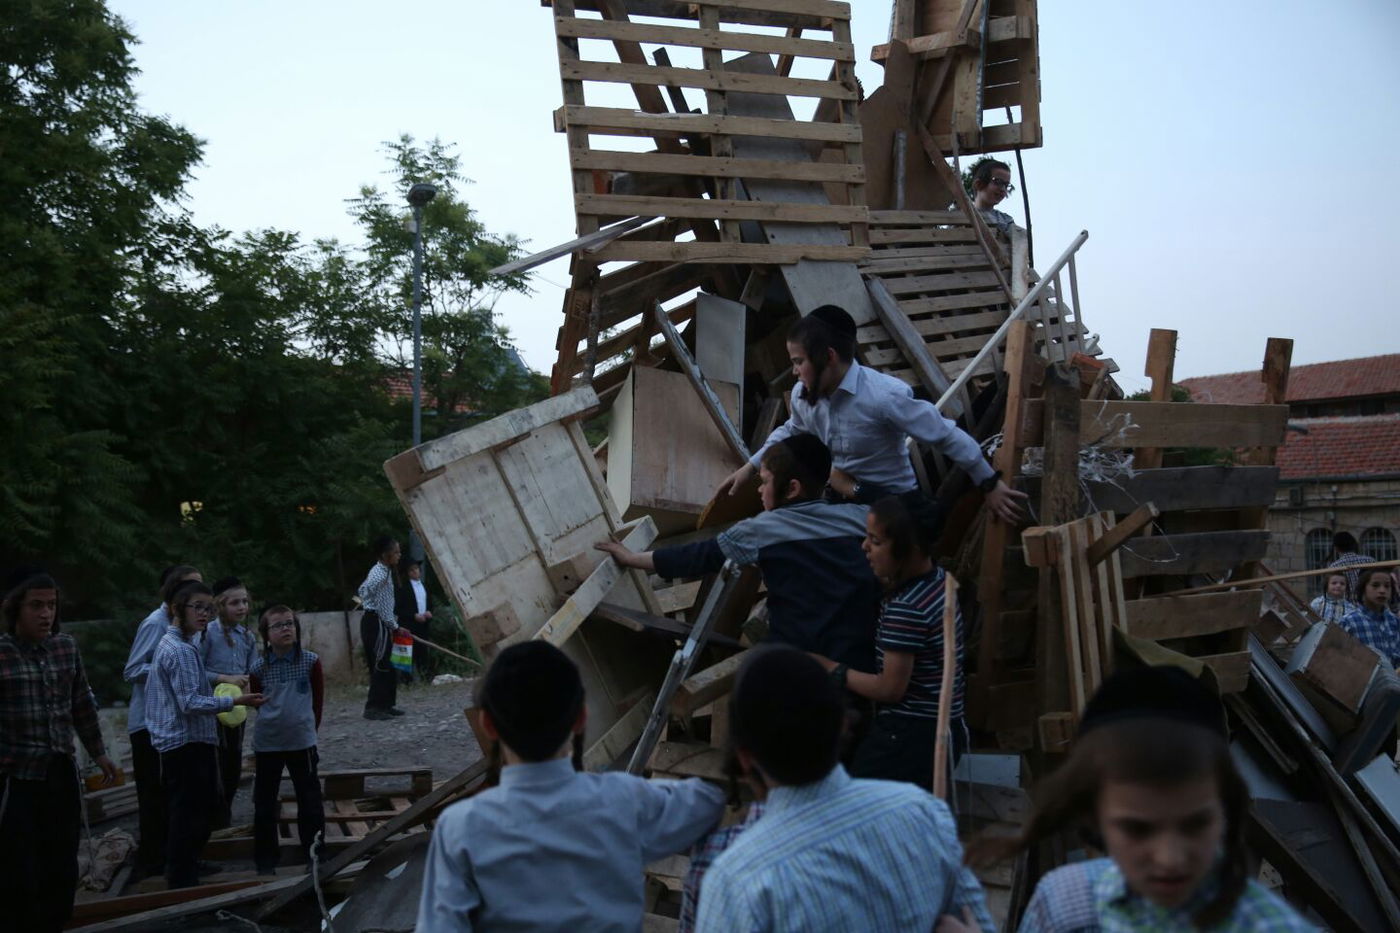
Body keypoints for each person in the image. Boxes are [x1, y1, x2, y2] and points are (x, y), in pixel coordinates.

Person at [949, 666, 1312, 932]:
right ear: (1094, 819)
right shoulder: (1064, 906)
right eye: (1137, 830)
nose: (1169, 859)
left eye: (1195, 824)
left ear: (1226, 811)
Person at [416, 641, 725, 932]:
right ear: (580, 718)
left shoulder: (460, 829)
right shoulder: (625, 800)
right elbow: (708, 800)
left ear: (487, 725)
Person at [693, 646, 994, 932]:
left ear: (745, 758)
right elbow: (977, 921)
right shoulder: (923, 812)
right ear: (843, 724)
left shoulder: (739, 880)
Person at [715, 305, 1026, 524]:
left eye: (799, 362)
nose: (794, 372)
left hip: (894, 506)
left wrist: (989, 483)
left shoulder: (884, 396)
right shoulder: (802, 395)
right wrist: (749, 467)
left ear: (828, 357)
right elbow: (791, 431)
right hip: (845, 499)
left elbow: (946, 435)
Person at [599, 435, 880, 670]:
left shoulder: (762, 530)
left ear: (792, 488)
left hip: (801, 664)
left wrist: (632, 558)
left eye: (765, 482)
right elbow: (902, 504)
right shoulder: (862, 518)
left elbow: (697, 556)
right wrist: (855, 488)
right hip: (863, 660)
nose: (759, 490)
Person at [810, 492, 967, 790]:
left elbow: (890, 689)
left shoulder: (906, 607)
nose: (864, 547)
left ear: (910, 549)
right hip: (946, 727)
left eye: (876, 541)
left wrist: (831, 668)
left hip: (912, 737)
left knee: (857, 802)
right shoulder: (938, 580)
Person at [0, 569, 117, 932]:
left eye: (51, 605)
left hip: (60, 772)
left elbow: (81, 704)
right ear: (15, 608)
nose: (45, 614)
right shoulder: (3, 654)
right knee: (20, 867)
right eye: (36, 605)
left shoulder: (65, 647)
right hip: (17, 777)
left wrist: (99, 753)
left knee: (62, 862)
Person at [146, 580, 264, 888]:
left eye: (208, 608)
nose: (204, 614)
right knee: (189, 811)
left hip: (185, 739)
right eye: (197, 607)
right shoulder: (181, 650)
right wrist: (235, 701)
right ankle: (181, 876)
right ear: (177, 609)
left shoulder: (181, 644)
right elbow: (190, 702)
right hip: (185, 742)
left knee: (196, 808)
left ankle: (188, 865)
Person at [122, 563, 202, 876]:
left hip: (177, 723)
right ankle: (151, 863)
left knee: (180, 797)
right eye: (190, 587)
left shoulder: (191, 626)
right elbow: (132, 670)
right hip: (149, 724)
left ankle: (178, 860)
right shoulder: (156, 623)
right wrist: (169, 667)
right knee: (154, 797)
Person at [249, 605, 325, 876]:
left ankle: (314, 855)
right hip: (268, 742)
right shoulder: (258, 667)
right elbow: (257, 701)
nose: (286, 629)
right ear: (266, 634)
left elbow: (317, 702)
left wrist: (308, 730)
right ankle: (265, 861)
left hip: (302, 742)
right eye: (278, 625)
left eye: (290, 623)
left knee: (309, 799)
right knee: (265, 802)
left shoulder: (310, 661)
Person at [201, 576, 258, 829]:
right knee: (214, 763)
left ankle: (225, 816)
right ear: (220, 605)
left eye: (245, 601)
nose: (242, 607)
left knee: (233, 761)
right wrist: (225, 678)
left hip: (237, 709)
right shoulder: (207, 634)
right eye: (235, 602)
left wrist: (250, 684)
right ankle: (213, 819)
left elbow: (254, 671)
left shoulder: (247, 636)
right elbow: (196, 670)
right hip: (211, 710)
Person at [358, 535, 403, 720]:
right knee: (380, 665)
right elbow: (384, 610)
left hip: (376, 621)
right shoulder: (381, 576)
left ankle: (386, 704)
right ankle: (373, 707)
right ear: (385, 555)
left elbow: (362, 590)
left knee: (388, 664)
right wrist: (395, 627)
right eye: (396, 552)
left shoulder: (380, 570)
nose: (399, 555)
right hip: (376, 623)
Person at [1338, 568, 1400, 668]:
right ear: (1363, 589)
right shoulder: (1349, 622)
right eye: (1375, 585)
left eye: (1387, 586)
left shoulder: (1394, 622)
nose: (1382, 590)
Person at [396, 558, 433, 682]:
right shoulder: (403, 588)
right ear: (408, 573)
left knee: (423, 653)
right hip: (408, 626)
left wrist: (429, 612)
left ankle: (426, 678)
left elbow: (430, 604)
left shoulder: (425, 586)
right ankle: (406, 681)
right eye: (411, 570)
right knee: (406, 654)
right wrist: (413, 615)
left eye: (416, 569)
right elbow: (397, 609)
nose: (415, 572)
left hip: (423, 626)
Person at [969, 156, 1016, 237]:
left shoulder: (1006, 221)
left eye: (1006, 185)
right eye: (998, 182)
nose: (1003, 189)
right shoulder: (962, 216)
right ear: (978, 184)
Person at [1328, 531, 1373, 600]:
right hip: (1367, 602)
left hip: (1346, 604)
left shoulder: (1334, 567)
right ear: (1354, 545)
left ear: (1336, 548)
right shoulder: (1370, 561)